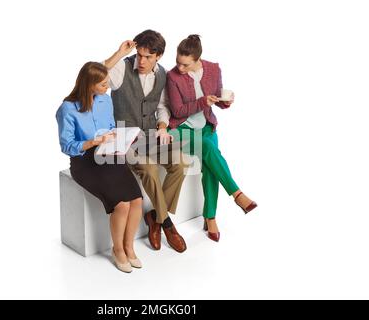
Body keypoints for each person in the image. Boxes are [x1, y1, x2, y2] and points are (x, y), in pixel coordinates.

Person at [103, 30, 188, 253]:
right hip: (125, 138)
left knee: (180, 164)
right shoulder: (122, 67)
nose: (141, 61)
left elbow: (162, 107)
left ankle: (155, 217)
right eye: (139, 55)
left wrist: (162, 126)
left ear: (158, 56)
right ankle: (167, 224)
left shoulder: (163, 76)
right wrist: (119, 52)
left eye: (148, 56)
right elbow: (96, 76)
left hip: (151, 135)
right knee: (149, 170)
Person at [167, 35, 257, 242]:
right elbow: (177, 110)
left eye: (185, 64)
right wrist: (202, 102)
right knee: (209, 148)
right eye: (178, 62)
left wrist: (226, 102)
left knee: (210, 165)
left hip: (206, 126)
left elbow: (217, 99)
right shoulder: (173, 77)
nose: (180, 67)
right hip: (180, 129)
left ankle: (210, 216)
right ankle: (237, 194)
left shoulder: (214, 69)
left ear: (198, 59)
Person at [56, 62, 143, 273]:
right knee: (121, 205)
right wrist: (93, 142)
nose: (107, 87)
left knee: (137, 200)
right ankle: (118, 250)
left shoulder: (105, 99)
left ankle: (130, 247)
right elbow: (66, 146)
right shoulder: (67, 109)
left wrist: (120, 138)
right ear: (90, 84)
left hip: (109, 153)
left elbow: (111, 127)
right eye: (103, 84)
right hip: (85, 161)